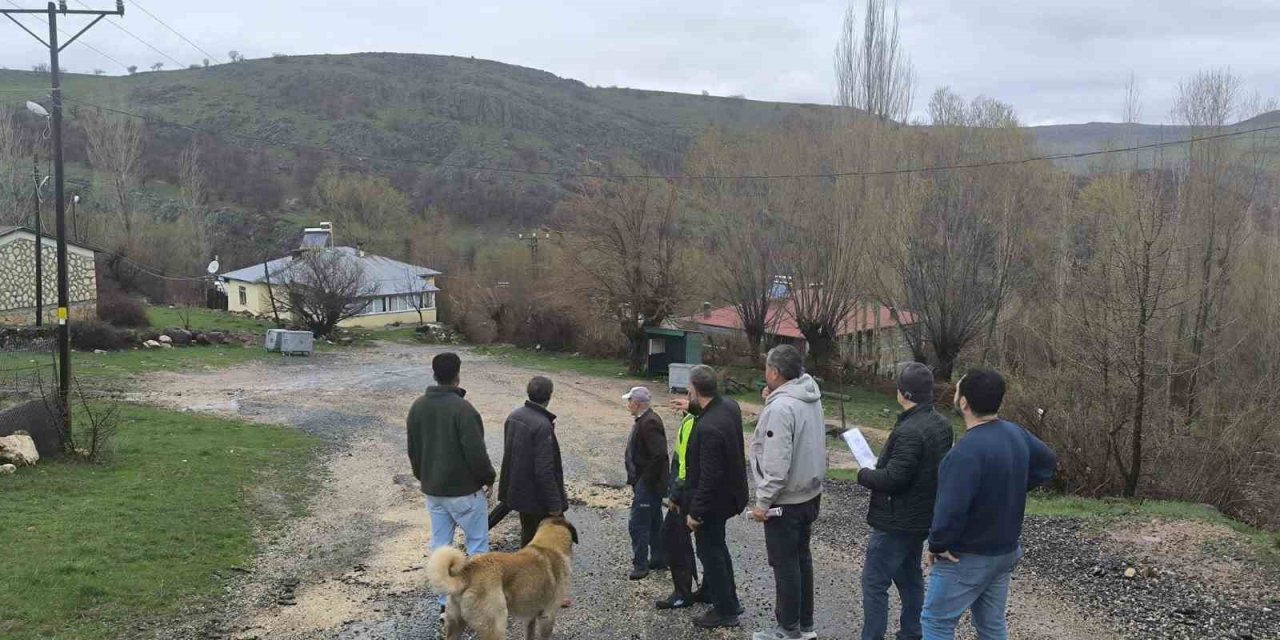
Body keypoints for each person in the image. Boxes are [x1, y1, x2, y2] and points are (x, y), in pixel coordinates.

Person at [922, 368, 1057, 640]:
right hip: (1004, 551)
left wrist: (937, 544)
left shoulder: (964, 453)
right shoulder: (1015, 434)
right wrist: (1013, 486)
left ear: (963, 403)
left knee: (936, 622)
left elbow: (950, 510)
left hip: (967, 555)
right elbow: (1047, 462)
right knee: (991, 626)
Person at [855, 362, 955, 640]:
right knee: (909, 576)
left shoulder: (911, 430)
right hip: (922, 517)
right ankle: (913, 632)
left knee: (874, 583)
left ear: (904, 393)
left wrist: (864, 474)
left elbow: (894, 478)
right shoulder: (942, 424)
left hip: (895, 520)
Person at [406, 352, 496, 613]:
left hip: (434, 491)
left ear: (434, 374)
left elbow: (413, 449)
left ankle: (446, 603)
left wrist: (423, 476)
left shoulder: (418, 406)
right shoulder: (463, 409)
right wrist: (488, 477)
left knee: (441, 546)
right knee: (477, 544)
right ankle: (476, 601)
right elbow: (476, 453)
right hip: (464, 492)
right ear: (458, 374)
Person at [749, 345, 827, 640]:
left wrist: (763, 501)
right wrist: (773, 400)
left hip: (787, 498)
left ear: (774, 372)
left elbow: (776, 461)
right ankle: (805, 626)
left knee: (785, 565)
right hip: (810, 491)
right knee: (801, 559)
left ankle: (787, 629)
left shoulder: (782, 408)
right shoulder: (809, 395)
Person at [683, 364, 749, 630]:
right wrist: (692, 409)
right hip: (731, 494)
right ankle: (725, 598)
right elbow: (710, 413)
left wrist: (695, 512)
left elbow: (709, 477)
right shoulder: (729, 407)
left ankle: (725, 611)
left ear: (694, 390)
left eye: (689, 390)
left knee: (711, 552)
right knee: (718, 549)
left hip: (714, 502)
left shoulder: (708, 428)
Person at [498, 376, 568, 548]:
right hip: (537, 497)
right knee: (541, 542)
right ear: (549, 396)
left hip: (519, 489)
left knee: (527, 534)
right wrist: (555, 504)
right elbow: (544, 470)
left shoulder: (515, 416)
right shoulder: (542, 425)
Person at [656, 397, 701, 610]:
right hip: (689, 491)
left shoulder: (694, 422)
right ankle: (707, 589)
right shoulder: (696, 417)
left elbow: (685, 464)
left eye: (690, 395)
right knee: (707, 544)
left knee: (673, 538)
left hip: (685, 494)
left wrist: (675, 494)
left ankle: (683, 593)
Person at [624, 386, 669, 580]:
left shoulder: (649, 422)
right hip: (648, 483)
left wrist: (644, 481)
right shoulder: (645, 419)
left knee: (638, 523)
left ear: (637, 403)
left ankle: (641, 565)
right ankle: (659, 558)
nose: (628, 405)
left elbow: (659, 454)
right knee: (654, 520)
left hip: (648, 484)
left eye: (629, 401)